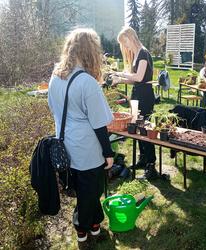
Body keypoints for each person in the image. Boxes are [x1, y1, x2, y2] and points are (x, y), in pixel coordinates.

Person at [48, 28, 114, 242]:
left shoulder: (55, 77)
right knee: (90, 192)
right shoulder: (87, 82)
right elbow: (99, 124)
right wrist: (108, 151)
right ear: (90, 51)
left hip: (65, 146)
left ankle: (95, 226)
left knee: (85, 191)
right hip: (87, 150)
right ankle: (82, 231)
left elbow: (54, 110)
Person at [112, 26, 158, 180]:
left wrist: (119, 72)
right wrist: (120, 80)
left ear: (130, 37)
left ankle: (151, 164)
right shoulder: (137, 54)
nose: (124, 46)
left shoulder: (143, 53)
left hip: (145, 96)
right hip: (137, 94)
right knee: (137, 127)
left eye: (124, 42)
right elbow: (135, 81)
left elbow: (139, 77)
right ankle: (142, 159)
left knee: (145, 128)